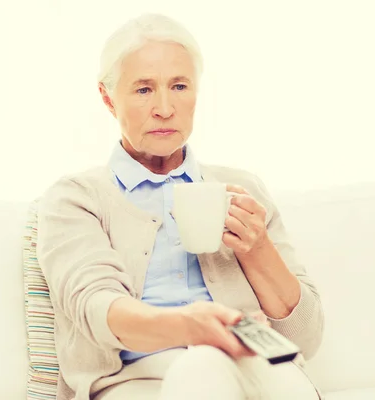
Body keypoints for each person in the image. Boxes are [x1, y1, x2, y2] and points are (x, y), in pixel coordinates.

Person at [37, 13, 324, 400]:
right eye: (143, 90)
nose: (165, 108)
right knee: (202, 366)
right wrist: (191, 327)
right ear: (108, 98)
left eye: (179, 86)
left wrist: (257, 249)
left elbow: (303, 339)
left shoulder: (242, 189)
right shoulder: (76, 198)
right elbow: (97, 310)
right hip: (133, 382)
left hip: (255, 371)